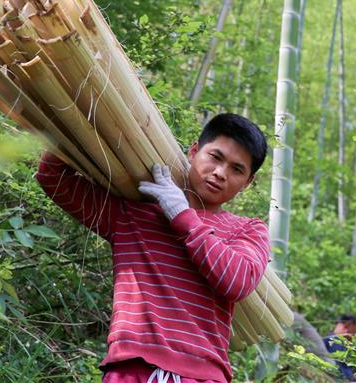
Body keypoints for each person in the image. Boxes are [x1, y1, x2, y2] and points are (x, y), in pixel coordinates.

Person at [35, 113, 270, 383]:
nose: (220, 173)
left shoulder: (248, 230)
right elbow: (53, 177)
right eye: (215, 157)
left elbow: (237, 281)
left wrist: (182, 216)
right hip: (130, 367)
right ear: (194, 151)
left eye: (236, 169)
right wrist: (76, 119)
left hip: (201, 374)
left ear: (247, 183)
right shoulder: (132, 214)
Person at [322, 314, 356, 381]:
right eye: (355, 331)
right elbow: (343, 377)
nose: (354, 335)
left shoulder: (333, 340)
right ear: (348, 325)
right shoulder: (335, 342)